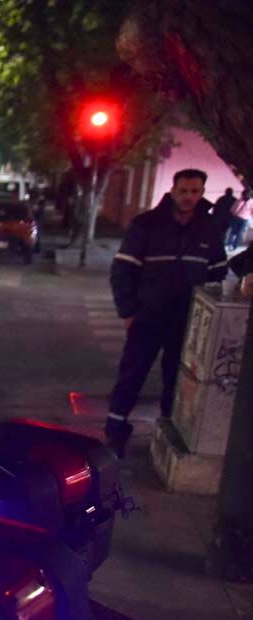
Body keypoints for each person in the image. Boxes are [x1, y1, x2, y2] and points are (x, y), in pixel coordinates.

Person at [106, 168, 228, 457]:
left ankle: (166, 434)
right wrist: (128, 312)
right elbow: (122, 271)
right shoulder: (146, 224)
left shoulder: (209, 230)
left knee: (177, 380)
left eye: (195, 191)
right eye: (184, 191)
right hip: (147, 316)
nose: (189, 197)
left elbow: (217, 275)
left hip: (186, 322)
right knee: (131, 375)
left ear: (202, 193)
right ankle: (115, 435)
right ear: (173, 190)